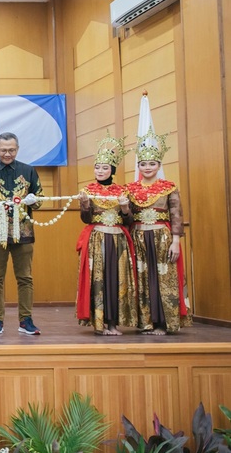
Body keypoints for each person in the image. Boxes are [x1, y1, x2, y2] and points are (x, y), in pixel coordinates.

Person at [0, 132, 44, 336]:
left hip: (24, 231)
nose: (7, 153)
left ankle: (26, 320)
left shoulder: (28, 171)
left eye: (11, 150)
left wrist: (33, 200)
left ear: (17, 149)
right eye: (4, 150)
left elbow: (40, 199)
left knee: (25, 277)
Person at [128, 127, 191, 334]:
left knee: (163, 278)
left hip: (162, 238)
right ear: (138, 166)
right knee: (142, 278)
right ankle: (146, 321)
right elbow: (127, 217)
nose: (148, 167)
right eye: (143, 164)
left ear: (159, 165)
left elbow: (176, 215)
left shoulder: (169, 187)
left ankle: (164, 323)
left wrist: (175, 241)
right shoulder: (130, 189)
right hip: (138, 237)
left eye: (152, 164)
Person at [76, 132, 137, 336]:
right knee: (99, 280)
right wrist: (85, 206)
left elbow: (129, 221)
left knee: (117, 279)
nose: (100, 171)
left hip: (118, 240)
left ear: (112, 170)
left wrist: (126, 208)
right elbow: (86, 219)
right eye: (97, 167)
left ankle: (114, 323)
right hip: (97, 239)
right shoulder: (88, 190)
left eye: (104, 168)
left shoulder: (123, 191)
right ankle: (100, 323)